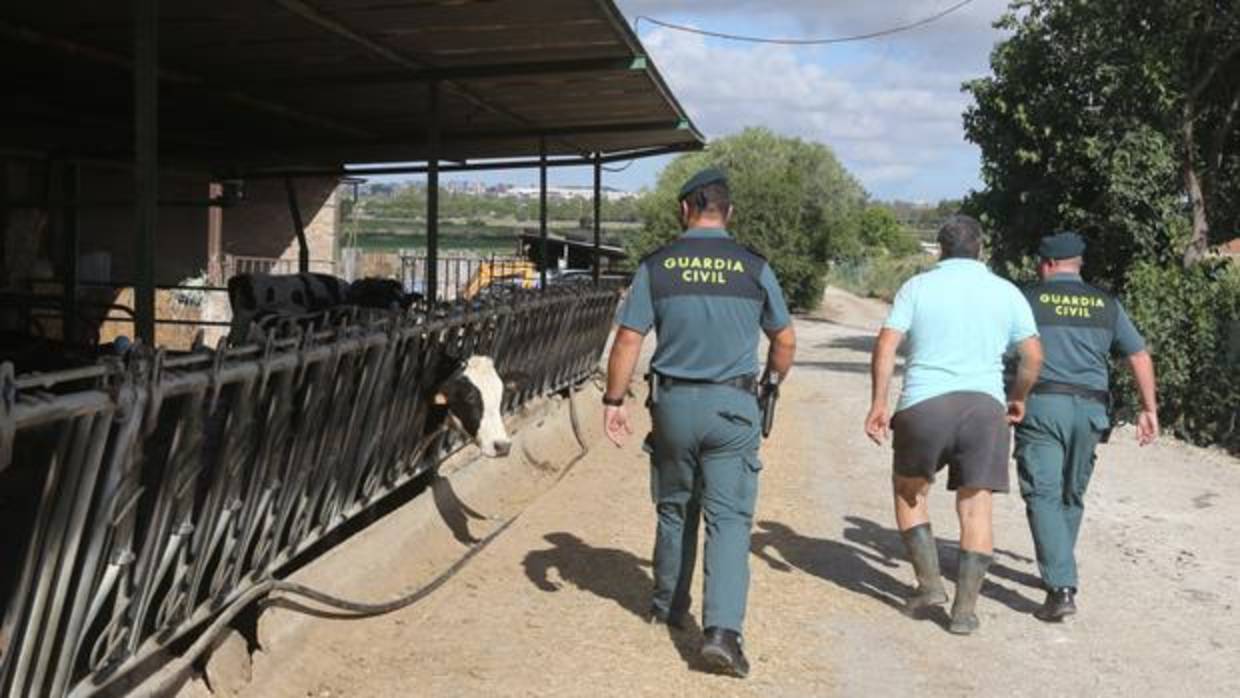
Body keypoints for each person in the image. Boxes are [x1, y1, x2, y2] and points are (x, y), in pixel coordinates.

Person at [602, 168, 796, 678]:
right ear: (726, 213)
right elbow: (785, 340)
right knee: (729, 520)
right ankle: (723, 635)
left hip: (673, 407)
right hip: (734, 408)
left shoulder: (658, 266)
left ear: (684, 210)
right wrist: (771, 384)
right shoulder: (755, 268)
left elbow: (627, 339)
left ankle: (668, 605)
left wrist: (613, 399)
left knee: (674, 508)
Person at [865, 214, 1043, 635]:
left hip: (924, 405)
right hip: (985, 409)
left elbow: (887, 343)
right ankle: (964, 612)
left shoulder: (918, 287)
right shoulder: (1006, 292)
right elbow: (1033, 356)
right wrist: (1017, 397)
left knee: (909, 492)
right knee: (976, 506)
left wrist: (878, 403)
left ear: (941, 248)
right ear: (981, 247)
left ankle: (929, 586)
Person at [1016, 231, 1159, 622]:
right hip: (1092, 411)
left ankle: (1061, 585)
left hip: (1043, 405)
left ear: (1046, 265)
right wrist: (1150, 409)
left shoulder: (1029, 300)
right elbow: (1139, 354)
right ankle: (1059, 566)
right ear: (1078, 265)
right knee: (1070, 494)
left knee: (1042, 493)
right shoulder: (1105, 303)